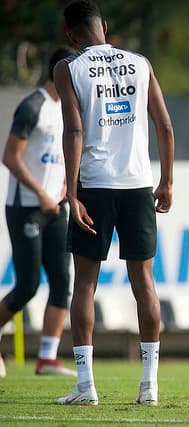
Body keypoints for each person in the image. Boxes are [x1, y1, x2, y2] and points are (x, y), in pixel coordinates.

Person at [53, 0, 174, 405]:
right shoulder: (141, 63)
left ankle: (86, 387)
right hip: (138, 184)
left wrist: (71, 192)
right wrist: (167, 181)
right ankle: (150, 386)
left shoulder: (68, 67)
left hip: (95, 184)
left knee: (84, 285)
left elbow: (73, 130)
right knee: (145, 284)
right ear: (103, 25)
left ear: (70, 34)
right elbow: (165, 126)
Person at [0, 46, 77, 379]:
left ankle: (47, 358)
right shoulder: (33, 107)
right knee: (27, 286)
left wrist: (62, 191)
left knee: (63, 282)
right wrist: (42, 194)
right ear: (60, 72)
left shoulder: (68, 110)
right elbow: (10, 157)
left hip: (55, 207)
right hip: (26, 209)